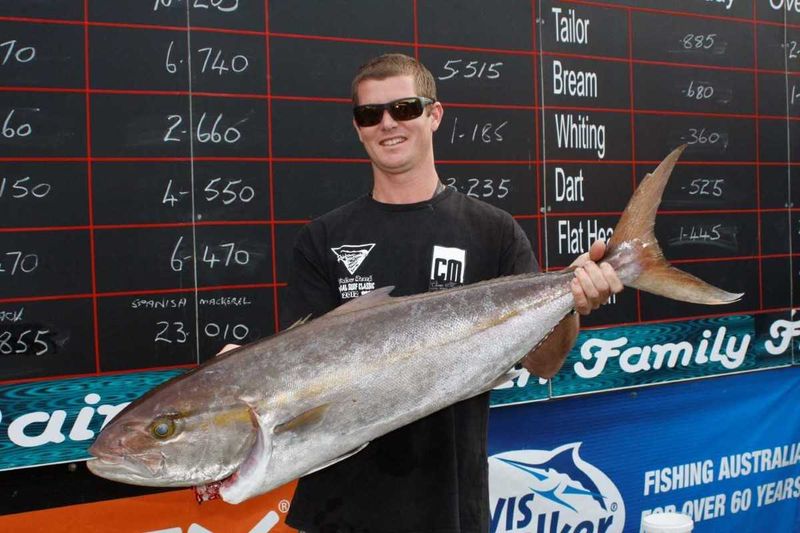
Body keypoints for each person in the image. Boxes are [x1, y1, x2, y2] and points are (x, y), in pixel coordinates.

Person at [277, 53, 622, 533]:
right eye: (370, 114)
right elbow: (296, 377)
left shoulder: (493, 231)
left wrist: (572, 303)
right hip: (339, 511)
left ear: (434, 114)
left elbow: (544, 364)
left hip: (452, 507)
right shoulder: (322, 238)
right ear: (357, 127)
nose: (388, 124)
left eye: (405, 108)